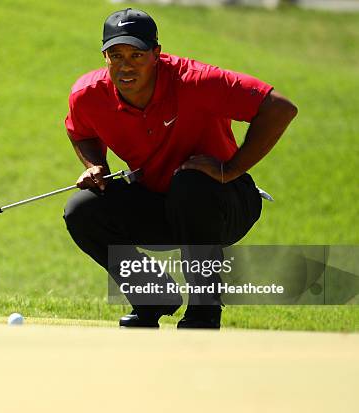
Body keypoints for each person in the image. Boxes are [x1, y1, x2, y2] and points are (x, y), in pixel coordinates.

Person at [63, 8, 297, 329]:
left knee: (190, 183)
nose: (125, 65)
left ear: (157, 53)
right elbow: (81, 132)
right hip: (160, 203)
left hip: (224, 205)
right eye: (115, 55)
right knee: (82, 209)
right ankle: (153, 295)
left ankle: (204, 311)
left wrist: (231, 169)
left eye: (136, 54)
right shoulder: (88, 94)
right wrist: (96, 166)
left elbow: (279, 108)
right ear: (104, 55)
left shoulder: (197, 81)